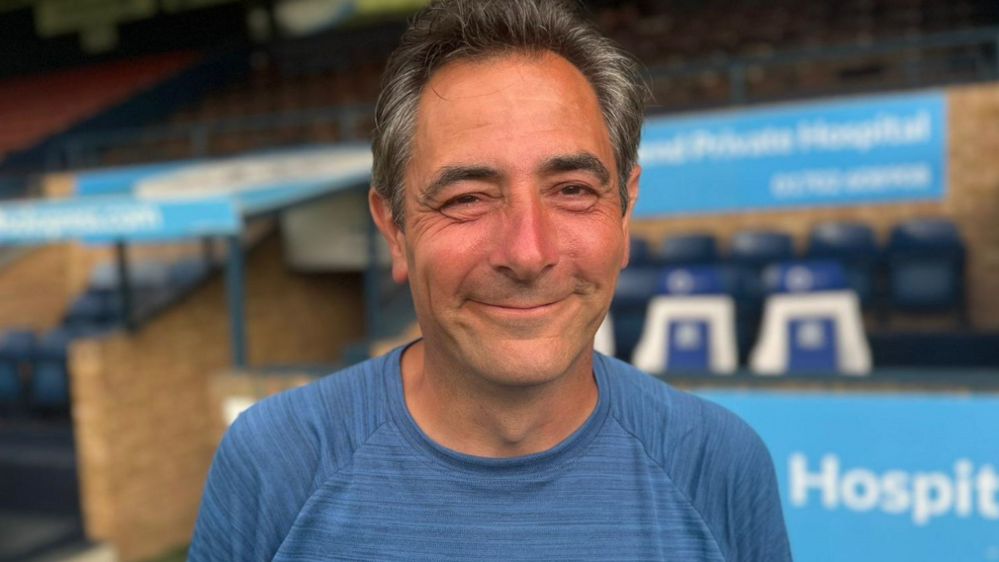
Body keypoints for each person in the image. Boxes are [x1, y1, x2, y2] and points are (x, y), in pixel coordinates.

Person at [189, 1, 793, 560]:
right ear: (394, 229)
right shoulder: (275, 463)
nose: (528, 253)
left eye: (574, 191)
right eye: (468, 198)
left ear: (625, 211)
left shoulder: (721, 466)